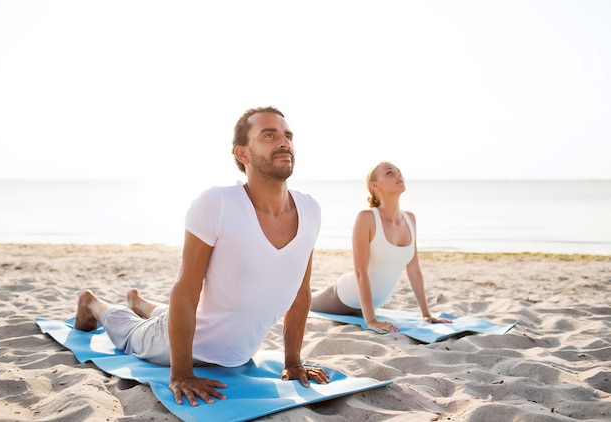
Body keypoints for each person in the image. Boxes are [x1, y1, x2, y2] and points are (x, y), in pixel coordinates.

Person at [73, 106, 329, 407]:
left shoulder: (310, 210)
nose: (284, 142)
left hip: (231, 350)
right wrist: (181, 373)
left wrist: (293, 362)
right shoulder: (217, 203)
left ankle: (140, 302)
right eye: (268, 135)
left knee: (173, 314)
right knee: (130, 334)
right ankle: (93, 304)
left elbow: (300, 291)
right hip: (180, 346)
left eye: (287, 135)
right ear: (242, 154)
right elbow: (186, 290)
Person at [310, 161, 451, 333]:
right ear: (374, 186)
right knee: (302, 301)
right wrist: (371, 321)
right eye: (390, 172)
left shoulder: (410, 219)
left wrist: (426, 315)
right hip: (345, 296)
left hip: (372, 303)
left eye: (399, 171)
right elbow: (360, 272)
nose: (399, 175)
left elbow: (414, 271)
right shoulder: (366, 218)